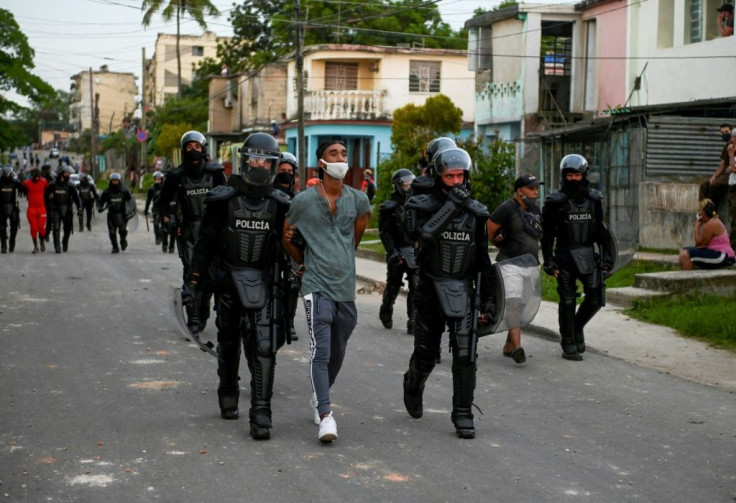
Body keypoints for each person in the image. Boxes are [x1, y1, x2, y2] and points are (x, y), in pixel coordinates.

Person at [187, 132, 290, 440]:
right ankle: (228, 389)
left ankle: (261, 413)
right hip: (228, 280)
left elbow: (292, 244)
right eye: (254, 159)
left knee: (263, 345)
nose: (259, 164)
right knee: (229, 340)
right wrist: (194, 281)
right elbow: (205, 243)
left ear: (273, 166)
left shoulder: (282, 204)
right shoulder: (223, 199)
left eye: (265, 160)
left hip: (266, 282)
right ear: (245, 161)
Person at [401, 147, 496, 439]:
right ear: (439, 176)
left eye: (460, 175)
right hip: (430, 287)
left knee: (466, 354)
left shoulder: (477, 212)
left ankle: (463, 413)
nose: (457, 181)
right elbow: (421, 238)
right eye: (450, 175)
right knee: (427, 355)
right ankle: (413, 384)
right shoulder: (419, 205)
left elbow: (482, 258)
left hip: (464, 289)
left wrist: (490, 299)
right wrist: (452, 206)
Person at [282, 138, 372, 443]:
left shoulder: (359, 200)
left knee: (338, 348)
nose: (341, 158)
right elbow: (286, 234)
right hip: (315, 285)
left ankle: (320, 394)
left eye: (344, 153)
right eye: (333, 153)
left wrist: (340, 258)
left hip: (344, 286)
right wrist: (302, 262)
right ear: (321, 162)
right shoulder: (303, 201)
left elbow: (355, 237)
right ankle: (325, 415)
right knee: (320, 349)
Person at [541, 154, 611, 362]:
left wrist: (606, 256)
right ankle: (568, 341)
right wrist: (548, 260)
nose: (573, 178)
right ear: (564, 176)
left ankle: (577, 326)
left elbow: (601, 230)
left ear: (584, 175)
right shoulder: (555, 202)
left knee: (596, 297)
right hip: (564, 255)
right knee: (568, 299)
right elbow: (547, 235)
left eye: (577, 174)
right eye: (569, 175)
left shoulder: (594, 200)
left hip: (588, 254)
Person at [156, 131, 226, 333]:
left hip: (214, 231)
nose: (193, 151)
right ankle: (194, 318)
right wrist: (168, 219)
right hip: (188, 232)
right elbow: (162, 204)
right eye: (189, 147)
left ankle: (213, 313)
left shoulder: (215, 173)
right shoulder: (175, 176)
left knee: (216, 275)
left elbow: (230, 199)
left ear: (203, 149)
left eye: (197, 147)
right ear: (183, 151)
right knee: (192, 274)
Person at [487, 173, 544, 364]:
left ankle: (509, 344)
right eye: (531, 188)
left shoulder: (535, 210)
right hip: (510, 263)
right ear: (520, 191)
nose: (535, 192)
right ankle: (518, 348)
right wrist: (498, 240)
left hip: (530, 264)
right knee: (512, 302)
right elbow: (490, 229)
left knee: (523, 305)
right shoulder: (506, 208)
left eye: (537, 188)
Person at [378, 168, 417, 333]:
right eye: (405, 183)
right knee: (393, 285)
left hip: (414, 251)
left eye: (410, 182)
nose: (408, 185)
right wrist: (392, 251)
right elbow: (385, 232)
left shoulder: (418, 204)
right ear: (398, 185)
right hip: (397, 250)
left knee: (416, 285)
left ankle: (413, 320)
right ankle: (386, 308)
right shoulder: (389, 207)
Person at [273, 152, 301, 342]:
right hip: (270, 247)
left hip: (291, 249)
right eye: (281, 170)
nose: (285, 174)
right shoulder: (267, 195)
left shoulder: (299, 199)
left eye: (289, 171)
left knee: (292, 285)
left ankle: (288, 322)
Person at [679, 199, 735, 269]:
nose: (698, 213)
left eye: (699, 211)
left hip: (723, 256)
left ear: (703, 213)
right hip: (721, 255)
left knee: (685, 255)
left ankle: (689, 279)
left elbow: (699, 243)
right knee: (683, 251)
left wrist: (696, 226)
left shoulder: (711, 223)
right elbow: (700, 245)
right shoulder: (713, 221)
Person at [46, 165, 81, 253]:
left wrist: (79, 208)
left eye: (68, 173)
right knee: (56, 228)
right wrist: (47, 205)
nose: (67, 174)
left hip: (67, 210)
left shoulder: (71, 186)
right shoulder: (52, 185)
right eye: (66, 173)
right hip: (56, 209)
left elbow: (77, 198)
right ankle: (57, 246)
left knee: (67, 228)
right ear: (61, 173)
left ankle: (65, 242)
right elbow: (45, 196)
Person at [699, 124, 732, 211]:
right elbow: (722, 164)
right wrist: (714, 176)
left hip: (732, 174)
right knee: (704, 185)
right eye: (722, 133)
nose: (724, 134)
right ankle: (703, 210)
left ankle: (712, 211)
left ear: (731, 132)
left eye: (726, 132)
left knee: (715, 185)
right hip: (725, 173)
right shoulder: (726, 147)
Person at [97, 173, 132, 253]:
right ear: (110, 181)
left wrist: (130, 211)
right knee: (112, 232)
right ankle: (115, 247)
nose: (115, 182)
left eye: (116, 181)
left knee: (122, 231)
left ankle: (123, 241)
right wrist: (99, 207)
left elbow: (130, 202)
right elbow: (101, 202)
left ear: (119, 181)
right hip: (111, 215)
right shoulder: (106, 192)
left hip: (122, 215)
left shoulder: (124, 191)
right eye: (113, 181)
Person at [22, 168, 48, 254]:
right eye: (35, 176)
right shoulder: (27, 183)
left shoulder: (44, 182)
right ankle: (35, 246)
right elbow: (21, 185)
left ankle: (42, 241)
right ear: (32, 176)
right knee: (34, 228)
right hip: (32, 209)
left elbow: (50, 187)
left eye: (38, 176)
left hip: (41, 208)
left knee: (41, 227)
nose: (37, 178)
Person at [0, 166, 26, 253]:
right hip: (1, 207)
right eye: (5, 174)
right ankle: (3, 245)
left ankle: (12, 243)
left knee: (14, 227)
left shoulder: (15, 182)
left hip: (13, 206)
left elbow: (24, 189)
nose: (7, 176)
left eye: (8, 174)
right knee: (1, 228)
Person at [144, 170, 165, 249]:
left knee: (164, 225)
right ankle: (157, 238)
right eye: (156, 178)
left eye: (159, 178)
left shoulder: (165, 188)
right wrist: (146, 209)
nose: (158, 180)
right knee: (156, 224)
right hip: (156, 209)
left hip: (164, 208)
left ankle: (163, 237)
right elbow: (148, 200)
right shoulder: (151, 189)